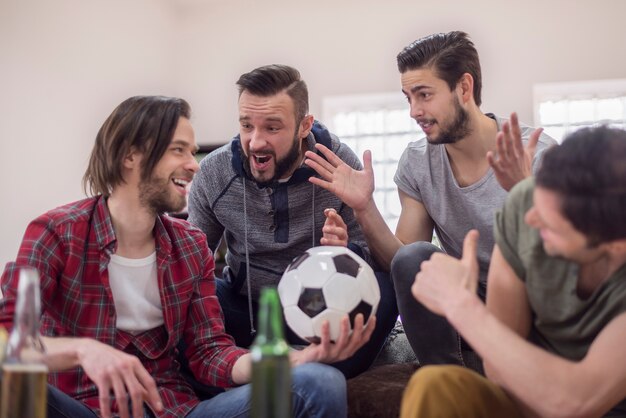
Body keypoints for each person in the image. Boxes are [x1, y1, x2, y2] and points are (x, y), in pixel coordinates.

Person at [0, 95, 361, 418]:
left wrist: (295, 360)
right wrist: (82, 352)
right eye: (179, 150)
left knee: (318, 381)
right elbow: (9, 342)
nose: (194, 165)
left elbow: (210, 354)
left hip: (171, 409)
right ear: (130, 155)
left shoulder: (189, 245)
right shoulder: (55, 233)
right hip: (82, 407)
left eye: (192, 152)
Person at [304, 31, 556, 371]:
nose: (413, 111)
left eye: (424, 95)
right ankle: (451, 380)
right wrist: (365, 208)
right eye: (408, 97)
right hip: (466, 301)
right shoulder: (418, 161)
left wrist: (526, 193)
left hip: (530, 301)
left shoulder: (537, 156)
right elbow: (404, 260)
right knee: (413, 257)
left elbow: (567, 263)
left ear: (464, 88)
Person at [187, 64, 397, 379]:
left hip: (318, 316)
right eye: (246, 125)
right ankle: (280, 371)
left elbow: (371, 260)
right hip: (247, 312)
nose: (256, 142)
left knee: (388, 286)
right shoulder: (215, 174)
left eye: (272, 127)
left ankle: (308, 372)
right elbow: (190, 261)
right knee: (193, 294)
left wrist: (347, 248)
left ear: (304, 125)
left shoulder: (339, 165)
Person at [401, 125, 626, 417]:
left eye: (551, 223)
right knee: (434, 386)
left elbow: (574, 402)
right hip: (523, 395)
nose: (531, 220)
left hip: (595, 406)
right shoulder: (525, 205)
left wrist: (461, 306)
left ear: (616, 245)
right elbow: (497, 368)